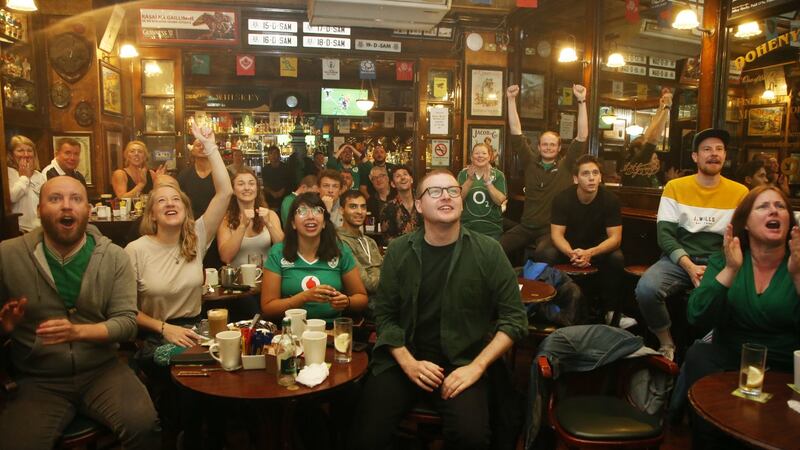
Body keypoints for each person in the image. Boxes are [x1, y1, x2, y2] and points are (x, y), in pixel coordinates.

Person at [351, 169, 528, 450]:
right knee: (366, 435)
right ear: (419, 206)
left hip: (463, 363)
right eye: (435, 191)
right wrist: (409, 363)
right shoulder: (398, 250)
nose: (446, 196)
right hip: (405, 357)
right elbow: (384, 315)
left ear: (461, 200)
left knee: (472, 438)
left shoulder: (488, 250)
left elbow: (515, 319)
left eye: (453, 190)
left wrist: (477, 367)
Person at [0, 176, 159, 448]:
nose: (66, 206)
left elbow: (126, 323)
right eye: (55, 199)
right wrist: (5, 327)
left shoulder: (114, 257)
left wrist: (78, 332)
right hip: (38, 379)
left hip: (102, 370)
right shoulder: (8, 255)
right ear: (39, 209)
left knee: (145, 426)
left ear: (89, 210)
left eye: (76, 199)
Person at [672, 186, 800, 448]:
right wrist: (731, 270)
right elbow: (697, 315)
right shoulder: (727, 259)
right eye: (763, 206)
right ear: (746, 224)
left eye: (780, 206)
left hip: (787, 364)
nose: (773, 210)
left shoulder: (799, 262)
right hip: (732, 357)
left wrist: (798, 276)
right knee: (698, 355)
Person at [635, 128, 749, 361]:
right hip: (678, 259)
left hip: (720, 260)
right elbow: (665, 235)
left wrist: (721, 267)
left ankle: (713, 343)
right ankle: (666, 342)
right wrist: (689, 266)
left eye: (719, 149)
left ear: (725, 155)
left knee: (739, 295)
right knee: (646, 290)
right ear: (695, 156)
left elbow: (743, 238)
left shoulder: (740, 192)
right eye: (707, 149)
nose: (714, 154)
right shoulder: (675, 187)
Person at [126, 120, 232, 353]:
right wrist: (164, 328)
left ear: (185, 210)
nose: (170, 203)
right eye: (161, 200)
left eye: (176, 199)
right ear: (152, 214)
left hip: (195, 331)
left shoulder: (196, 236)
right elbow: (124, 309)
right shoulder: (135, 250)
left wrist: (211, 147)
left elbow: (225, 192)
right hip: (154, 335)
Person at [536, 154, 627, 326]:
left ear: (600, 176)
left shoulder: (611, 200)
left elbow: (615, 239)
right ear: (576, 179)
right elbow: (557, 234)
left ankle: (611, 311)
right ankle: (547, 305)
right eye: (586, 174)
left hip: (597, 248)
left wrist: (590, 253)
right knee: (543, 251)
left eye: (595, 173)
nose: (592, 178)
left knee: (617, 257)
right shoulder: (562, 199)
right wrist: (571, 253)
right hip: (569, 247)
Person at [500, 84, 588, 260]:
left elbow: (582, 136)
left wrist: (581, 101)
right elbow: (516, 131)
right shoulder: (530, 162)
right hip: (525, 227)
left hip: (551, 229)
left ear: (559, 147)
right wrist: (510, 100)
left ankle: (542, 287)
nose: (548, 147)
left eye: (552, 144)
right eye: (545, 144)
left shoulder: (566, 165)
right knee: (495, 249)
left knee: (544, 253)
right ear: (539, 147)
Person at [260, 192, 368, 323]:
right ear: (293, 223)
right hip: (292, 331)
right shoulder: (278, 253)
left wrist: (347, 301)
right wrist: (303, 298)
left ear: (324, 223)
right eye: (302, 211)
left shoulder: (340, 251)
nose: (311, 216)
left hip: (332, 330)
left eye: (317, 211)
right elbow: (268, 308)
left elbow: (361, 298)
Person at [218, 167, 284, 267]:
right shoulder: (225, 220)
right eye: (241, 184)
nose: (247, 188)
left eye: (251, 183)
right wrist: (242, 226)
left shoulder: (270, 215)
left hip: (266, 277)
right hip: (238, 279)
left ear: (257, 188)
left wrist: (269, 224)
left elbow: (283, 250)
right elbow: (226, 257)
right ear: (233, 190)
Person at [178, 138, 226, 268]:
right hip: (191, 232)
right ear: (191, 150)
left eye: (205, 144)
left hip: (220, 230)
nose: (202, 147)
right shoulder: (183, 176)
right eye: (198, 145)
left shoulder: (223, 175)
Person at [337, 190, 383, 302]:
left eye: (363, 207)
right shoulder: (339, 241)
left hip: (384, 299)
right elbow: (368, 284)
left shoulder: (370, 241)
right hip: (364, 305)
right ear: (341, 210)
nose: (359, 211)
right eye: (353, 207)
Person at [621, 90, 672, 188]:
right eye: (654, 158)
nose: (656, 161)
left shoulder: (642, 168)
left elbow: (649, 135)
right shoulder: (637, 162)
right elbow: (653, 138)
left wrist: (660, 108)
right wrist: (667, 108)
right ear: (637, 150)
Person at [457, 142, 508, 240]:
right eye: (477, 153)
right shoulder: (463, 174)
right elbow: (458, 199)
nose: (480, 156)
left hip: (492, 228)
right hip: (467, 227)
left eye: (484, 153)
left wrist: (488, 182)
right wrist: (470, 180)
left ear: (489, 157)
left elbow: (500, 201)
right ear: (471, 157)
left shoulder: (498, 175)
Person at [6, 135, 45, 232]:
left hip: (40, 228)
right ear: (11, 154)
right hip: (19, 230)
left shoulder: (39, 175)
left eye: (29, 150)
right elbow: (11, 198)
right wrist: (24, 177)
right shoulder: (7, 173)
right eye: (20, 151)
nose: (26, 154)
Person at [380, 165, 421, 241]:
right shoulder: (388, 208)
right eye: (398, 176)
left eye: (405, 174)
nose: (403, 178)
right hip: (401, 251)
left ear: (411, 179)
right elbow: (388, 238)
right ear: (393, 184)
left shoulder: (423, 203)